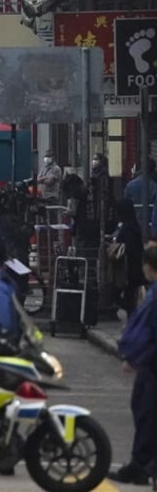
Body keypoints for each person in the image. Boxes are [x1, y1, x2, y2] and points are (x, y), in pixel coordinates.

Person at [111, 247, 157, 485]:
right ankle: (143, 464)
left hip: (151, 364)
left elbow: (145, 329)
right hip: (149, 362)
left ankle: (141, 465)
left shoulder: (154, 296)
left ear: (148, 266)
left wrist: (133, 356)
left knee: (146, 413)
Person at [113, 197, 146, 316]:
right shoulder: (133, 226)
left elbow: (127, 248)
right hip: (134, 268)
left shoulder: (128, 229)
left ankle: (135, 317)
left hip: (129, 269)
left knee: (123, 297)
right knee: (129, 297)